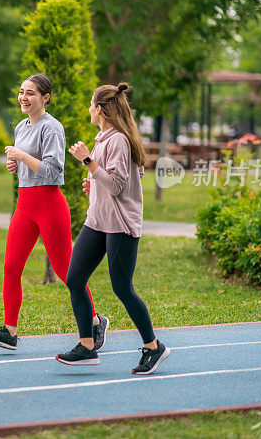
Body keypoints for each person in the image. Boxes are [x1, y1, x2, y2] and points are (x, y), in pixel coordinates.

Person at [0, 74, 107, 351]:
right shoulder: (21, 127)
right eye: (22, 92)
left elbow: (52, 171)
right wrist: (16, 166)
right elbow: (29, 165)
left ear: (45, 98)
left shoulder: (52, 128)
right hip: (25, 205)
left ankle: (95, 322)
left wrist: (22, 157)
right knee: (11, 267)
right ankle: (9, 331)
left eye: (31, 93)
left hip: (49, 205)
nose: (24, 98)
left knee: (67, 273)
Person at [55, 83, 170, 374]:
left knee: (122, 288)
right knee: (74, 278)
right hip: (97, 221)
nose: (88, 110)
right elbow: (122, 177)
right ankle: (87, 346)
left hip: (120, 226)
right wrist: (93, 184)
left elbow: (119, 184)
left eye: (90, 105)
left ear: (100, 109)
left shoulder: (117, 140)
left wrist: (88, 162)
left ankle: (154, 347)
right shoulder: (104, 137)